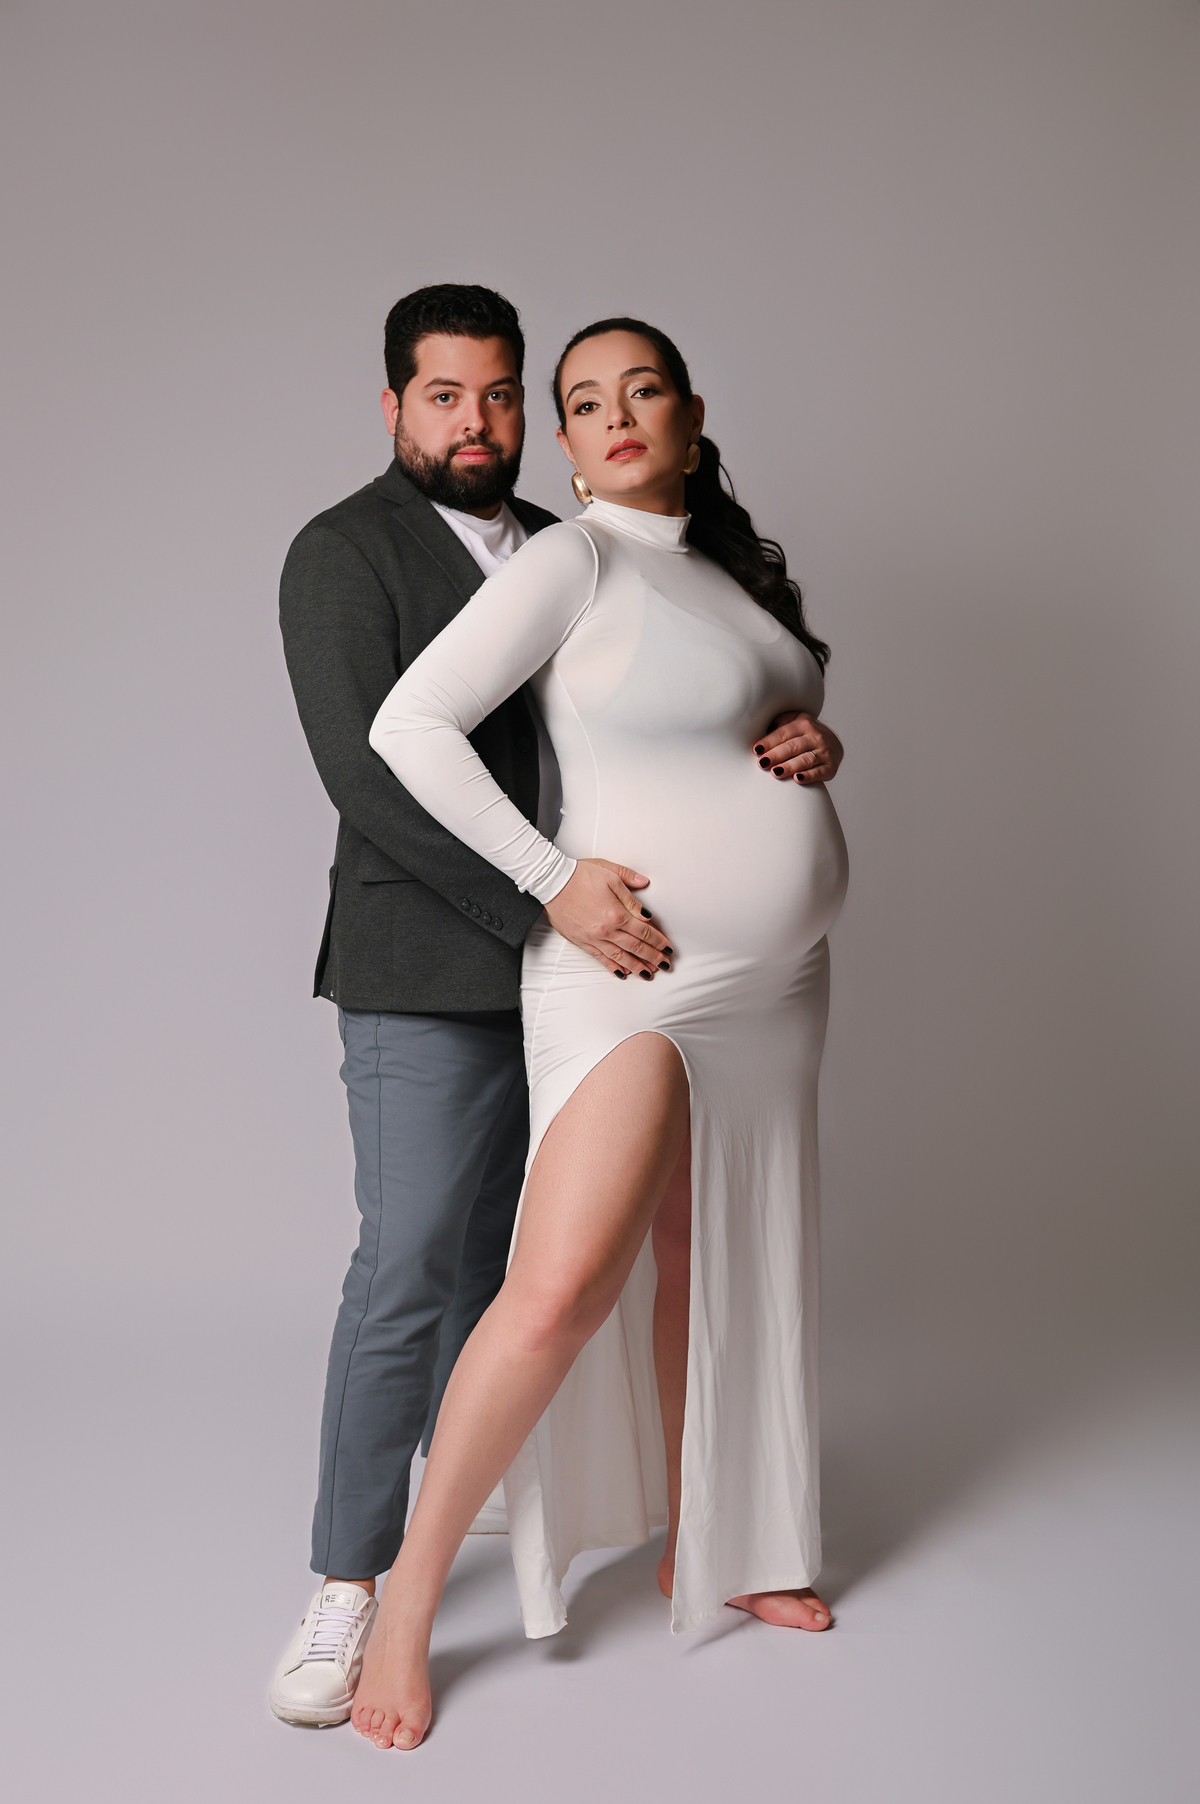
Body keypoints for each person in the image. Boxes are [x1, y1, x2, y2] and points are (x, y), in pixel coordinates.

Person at [355, 317, 850, 1749]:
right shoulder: (575, 560)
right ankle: (406, 1604)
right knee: (562, 1286)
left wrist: (817, 737)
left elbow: (750, 720)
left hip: (777, 982)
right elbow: (412, 726)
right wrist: (550, 877)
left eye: (643, 389)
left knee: (722, 1260)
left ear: (690, 414)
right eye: (583, 401)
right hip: (637, 970)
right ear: (566, 447)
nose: (616, 413)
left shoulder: (729, 575)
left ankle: (725, 1541)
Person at [271, 286, 685, 1727]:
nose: (476, 423)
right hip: (428, 970)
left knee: (514, 1272)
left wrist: (787, 730)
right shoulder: (343, 552)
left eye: (500, 395)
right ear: (393, 405)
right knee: (408, 1267)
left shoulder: (575, 545)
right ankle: (347, 1582)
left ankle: (479, 1506)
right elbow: (366, 776)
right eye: (445, 397)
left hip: (573, 972)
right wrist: (543, 900)